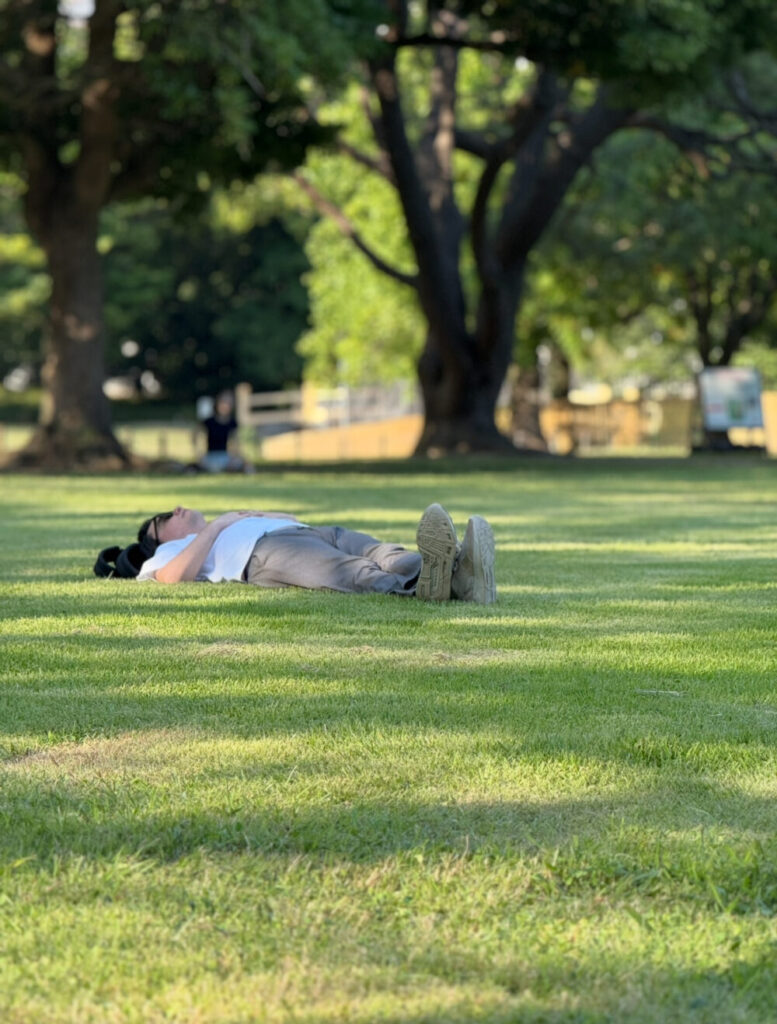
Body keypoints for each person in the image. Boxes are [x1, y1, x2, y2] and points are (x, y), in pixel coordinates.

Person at [94, 504, 496, 603]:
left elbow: (287, 514)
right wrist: (217, 526)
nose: (178, 509)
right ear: (160, 540)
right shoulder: (166, 555)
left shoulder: (221, 522)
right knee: (352, 570)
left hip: (303, 530)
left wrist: (254, 514)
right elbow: (171, 579)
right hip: (266, 553)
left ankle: (453, 570)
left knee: (383, 551)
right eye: (166, 518)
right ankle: (429, 585)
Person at [198, 390, 250, 473]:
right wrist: (199, 454)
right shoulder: (209, 422)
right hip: (211, 456)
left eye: (228, 403)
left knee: (245, 465)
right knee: (212, 468)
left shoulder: (232, 423)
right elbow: (197, 436)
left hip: (226, 457)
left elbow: (235, 443)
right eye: (223, 402)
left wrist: (236, 456)